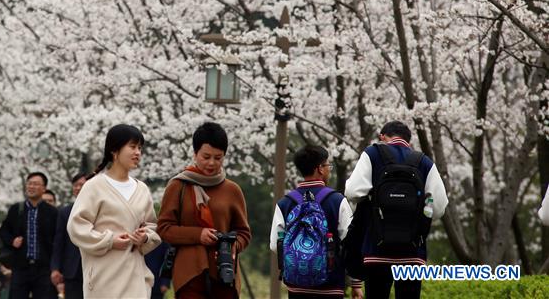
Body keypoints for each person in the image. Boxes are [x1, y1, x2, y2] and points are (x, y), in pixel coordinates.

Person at [345, 121, 448, 299]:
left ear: (383, 137)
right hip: (412, 253)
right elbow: (439, 207)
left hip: (377, 250)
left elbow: (352, 192)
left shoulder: (373, 154)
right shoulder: (424, 161)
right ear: (409, 140)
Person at [67, 124, 161, 299]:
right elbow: (76, 227)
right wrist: (109, 240)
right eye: (132, 147)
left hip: (135, 274)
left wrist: (145, 237)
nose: (138, 152)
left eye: (140, 148)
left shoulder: (142, 189)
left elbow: (152, 225)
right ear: (114, 150)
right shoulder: (94, 186)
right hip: (104, 276)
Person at [157, 122, 251, 299]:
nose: (211, 163)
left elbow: (244, 233)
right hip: (189, 275)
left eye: (218, 157)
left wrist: (233, 246)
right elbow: (164, 228)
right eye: (206, 156)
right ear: (195, 154)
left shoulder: (232, 190)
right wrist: (198, 235)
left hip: (225, 274)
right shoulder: (178, 186)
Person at [270, 145, 357, 298]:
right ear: (320, 169)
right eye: (327, 165)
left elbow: (275, 245)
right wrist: (356, 282)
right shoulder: (337, 201)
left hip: (297, 286)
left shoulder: (284, 203)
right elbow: (350, 244)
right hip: (331, 284)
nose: (329, 169)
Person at [0, 172, 58, 299]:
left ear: (44, 188)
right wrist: (12, 241)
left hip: (44, 268)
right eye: (29, 183)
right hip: (21, 267)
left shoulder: (52, 212)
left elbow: (57, 241)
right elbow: (3, 231)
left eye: (36, 184)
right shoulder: (16, 209)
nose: (31, 187)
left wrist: (56, 267)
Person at [50, 173, 87, 299]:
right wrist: (55, 268)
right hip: (72, 270)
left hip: (95, 268)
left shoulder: (101, 209)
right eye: (75, 185)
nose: (78, 188)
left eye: (81, 185)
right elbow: (59, 242)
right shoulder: (64, 212)